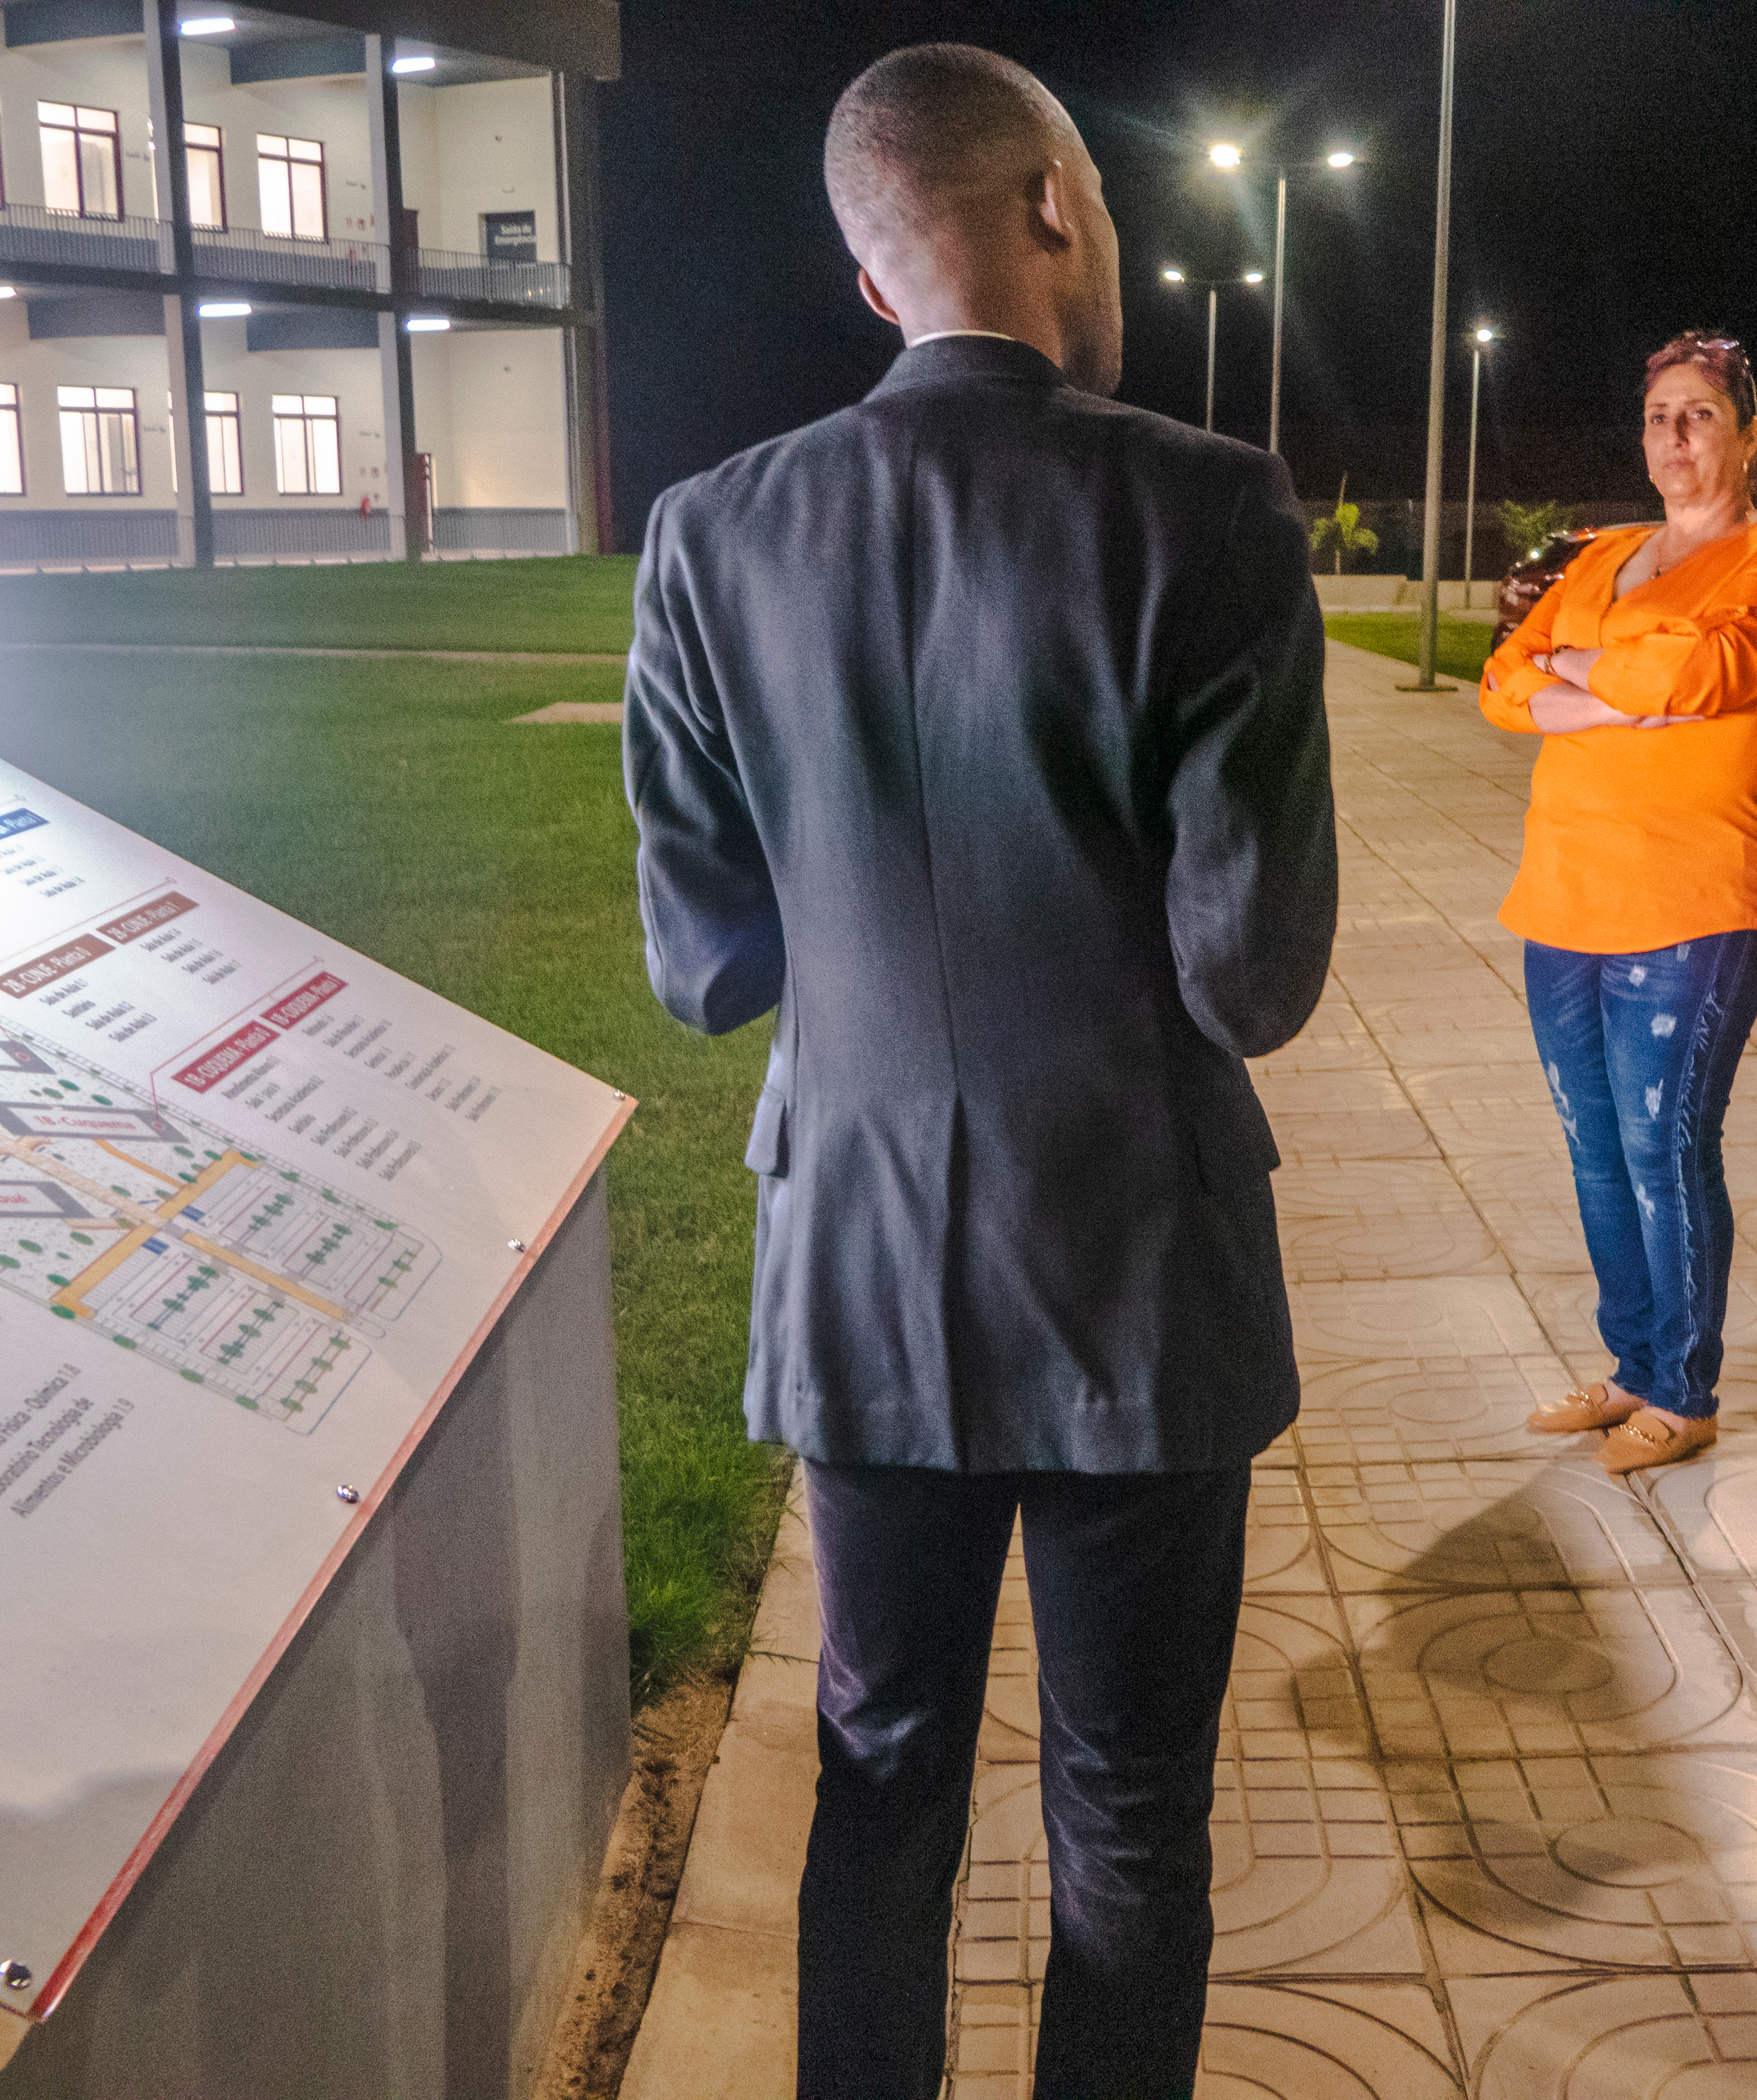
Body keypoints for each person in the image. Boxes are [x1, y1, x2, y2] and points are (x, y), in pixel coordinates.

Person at [620, 43, 1336, 2099]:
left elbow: (705, 964)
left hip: (856, 1263)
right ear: (1050, 205)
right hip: (1137, 1261)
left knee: (880, 1767)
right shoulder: (1207, 506)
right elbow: (1252, 972)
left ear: (869, 284)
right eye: (1102, 207)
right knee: (1123, 1803)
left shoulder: (708, 534)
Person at [1482, 332, 1757, 1477]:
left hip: (1703, 895)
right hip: (1565, 892)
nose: (1674, 439)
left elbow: (1702, 679)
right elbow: (1503, 679)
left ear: (1748, 434)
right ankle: (1629, 1368)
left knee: (1662, 1145)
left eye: (1699, 417)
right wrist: (1610, 683)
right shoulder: (1608, 557)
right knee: (1593, 1150)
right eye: (1658, 418)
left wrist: (1583, 671)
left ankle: (1682, 1391)